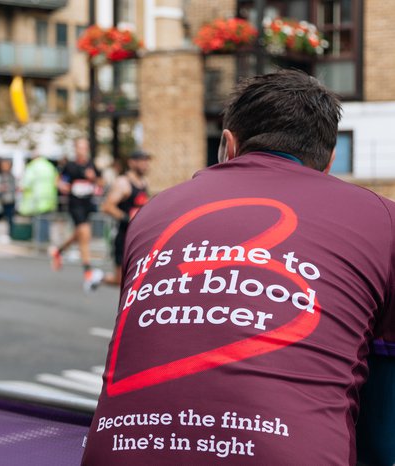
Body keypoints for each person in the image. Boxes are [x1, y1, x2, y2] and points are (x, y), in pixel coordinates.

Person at [82, 70, 395, 465]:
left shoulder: (154, 211)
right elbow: (385, 411)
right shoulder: (382, 219)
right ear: (329, 162)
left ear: (228, 145)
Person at [49, 138, 103, 291]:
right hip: (75, 204)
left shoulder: (91, 165)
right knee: (85, 233)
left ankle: (58, 251)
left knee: (80, 234)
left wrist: (94, 178)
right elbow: (58, 180)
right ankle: (88, 271)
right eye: (80, 147)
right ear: (75, 149)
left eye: (85, 147)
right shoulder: (70, 165)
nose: (83, 150)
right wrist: (62, 186)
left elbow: (101, 182)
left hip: (88, 203)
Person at [94, 150, 151, 288]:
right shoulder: (123, 183)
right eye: (142, 161)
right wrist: (127, 218)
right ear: (132, 163)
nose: (146, 165)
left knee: (138, 277)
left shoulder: (143, 182)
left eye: (147, 161)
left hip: (139, 236)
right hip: (123, 236)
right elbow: (107, 206)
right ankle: (99, 277)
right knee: (120, 281)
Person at [0, 158, 16, 238]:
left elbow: (10, 187)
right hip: (5, 199)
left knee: (10, 218)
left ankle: (11, 234)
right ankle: (10, 233)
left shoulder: (9, 175)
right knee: (7, 218)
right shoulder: (4, 174)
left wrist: (3, 188)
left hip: (9, 199)